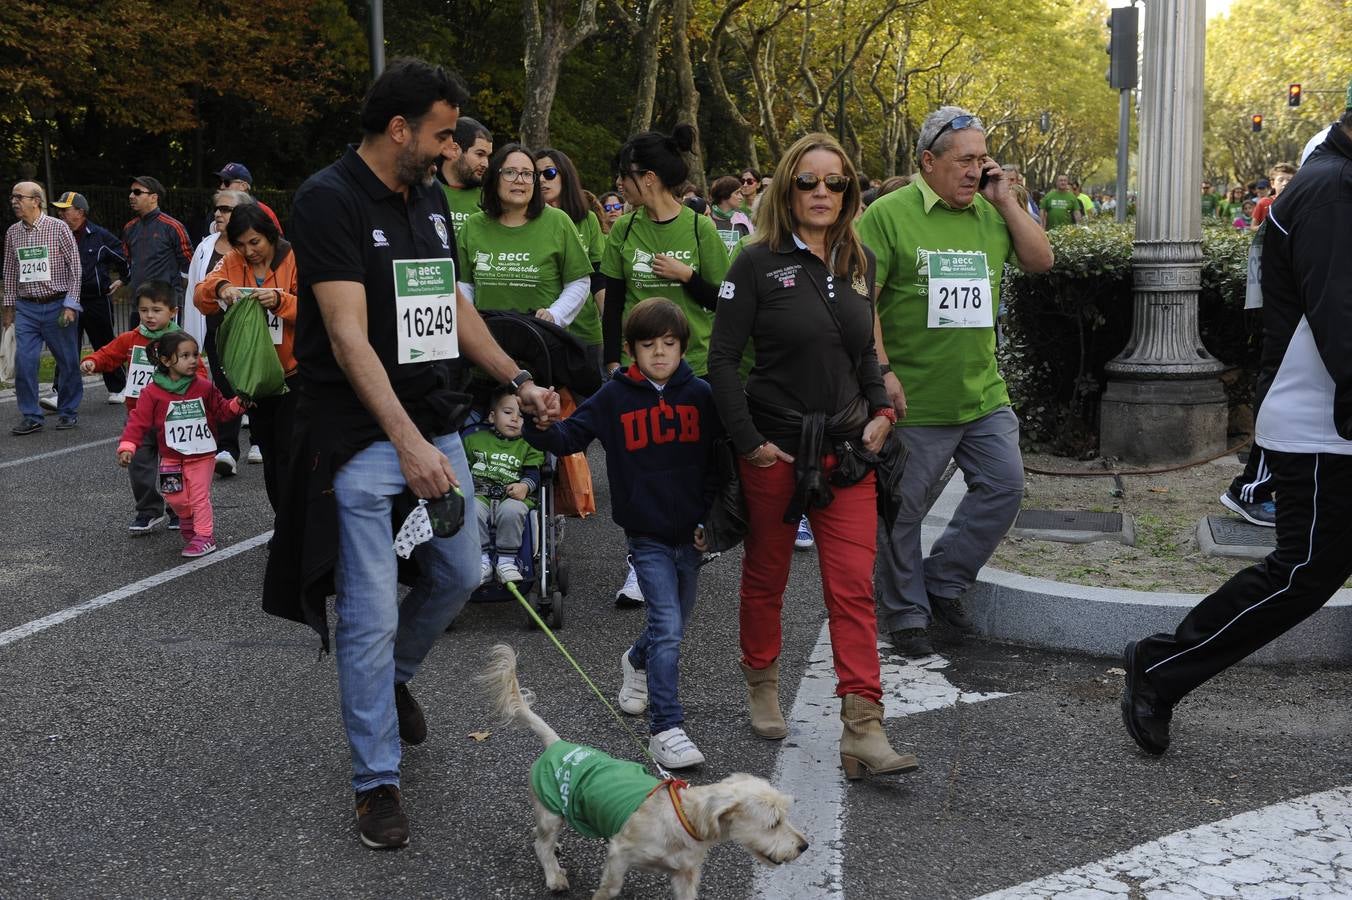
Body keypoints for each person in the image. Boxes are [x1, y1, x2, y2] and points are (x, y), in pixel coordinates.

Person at [264, 57, 560, 850]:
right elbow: (347, 335)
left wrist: (518, 376)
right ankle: (376, 784)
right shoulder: (327, 200)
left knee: (462, 571)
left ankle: (392, 683)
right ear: (399, 129)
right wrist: (403, 444)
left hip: (432, 417)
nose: (451, 149)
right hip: (357, 433)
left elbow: (450, 306)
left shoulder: (429, 198)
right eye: (438, 134)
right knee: (364, 614)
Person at [1121, 110, 1352, 758]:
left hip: (1329, 421)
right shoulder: (1332, 190)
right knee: (1303, 572)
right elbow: (1342, 323)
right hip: (1322, 425)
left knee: (1306, 571)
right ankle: (1160, 669)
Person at [707, 132, 917, 779]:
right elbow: (720, 361)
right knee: (767, 574)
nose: (822, 192)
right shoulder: (753, 263)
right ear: (786, 189)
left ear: (849, 191)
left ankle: (863, 729)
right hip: (775, 450)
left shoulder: (861, 260)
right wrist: (749, 443)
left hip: (849, 451)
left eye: (834, 182)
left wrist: (882, 412)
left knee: (853, 590)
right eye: (808, 181)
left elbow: (863, 354)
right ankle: (761, 682)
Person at [859, 106, 1054, 658]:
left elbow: (1041, 260)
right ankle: (904, 612)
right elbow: (862, 301)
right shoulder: (887, 215)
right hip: (915, 398)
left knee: (1004, 487)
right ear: (928, 161)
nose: (975, 170)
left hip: (982, 394)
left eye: (982, 159)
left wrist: (1007, 199)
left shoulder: (992, 212)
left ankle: (942, 583)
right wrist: (883, 372)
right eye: (964, 160)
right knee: (902, 510)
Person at [525, 297, 718, 769]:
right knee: (669, 627)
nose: (659, 353)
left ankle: (635, 660)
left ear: (683, 346)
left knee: (671, 624)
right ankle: (666, 727)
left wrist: (713, 523)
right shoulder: (614, 397)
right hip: (645, 536)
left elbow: (720, 462)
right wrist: (540, 424)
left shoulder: (701, 395)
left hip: (692, 534)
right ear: (630, 349)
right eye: (648, 345)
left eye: (669, 344)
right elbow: (570, 438)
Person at [601, 124, 730, 607]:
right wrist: (613, 360)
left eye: (625, 177)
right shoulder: (625, 230)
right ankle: (641, 560)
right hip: (637, 376)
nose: (620, 186)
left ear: (648, 178)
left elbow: (723, 300)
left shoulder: (700, 229)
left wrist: (688, 275)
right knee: (640, 466)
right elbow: (613, 303)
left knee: (688, 466)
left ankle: (689, 542)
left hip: (692, 371)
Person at [196, 203, 300, 513]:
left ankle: (296, 526)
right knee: (269, 453)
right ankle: (283, 525)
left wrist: (281, 300)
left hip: (294, 375)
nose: (249, 251)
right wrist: (222, 287)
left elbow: (320, 309)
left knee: (290, 454)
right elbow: (200, 295)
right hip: (254, 378)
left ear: (270, 235)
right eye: (241, 244)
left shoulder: (295, 258)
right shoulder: (231, 260)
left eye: (255, 242)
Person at [83, 280, 204, 533]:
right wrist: (93, 361)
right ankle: (148, 510)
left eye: (157, 310)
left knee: (173, 467)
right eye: (144, 310)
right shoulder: (132, 339)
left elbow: (198, 371)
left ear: (173, 311)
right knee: (138, 465)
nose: (149, 315)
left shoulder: (181, 341)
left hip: (173, 418)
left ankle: (177, 509)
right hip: (139, 416)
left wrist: (198, 389)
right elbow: (108, 354)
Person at [116, 331, 245, 558]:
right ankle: (186, 518)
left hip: (201, 454)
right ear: (165, 361)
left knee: (198, 496)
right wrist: (128, 445)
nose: (193, 360)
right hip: (171, 456)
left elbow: (222, 410)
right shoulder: (152, 392)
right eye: (185, 356)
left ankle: (205, 536)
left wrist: (238, 404)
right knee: (175, 497)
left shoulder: (204, 387)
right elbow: (138, 420)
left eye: (195, 354)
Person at [455, 143, 593, 329]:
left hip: (542, 339)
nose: (519, 180)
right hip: (486, 339)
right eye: (510, 172)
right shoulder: (473, 225)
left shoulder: (558, 221)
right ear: (495, 177)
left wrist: (556, 314)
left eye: (527, 174)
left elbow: (579, 281)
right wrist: (472, 321)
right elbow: (464, 284)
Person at [3, 182, 83, 435]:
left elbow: (76, 268)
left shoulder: (58, 228)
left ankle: (68, 411)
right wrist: (8, 309)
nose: (14, 201)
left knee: (67, 361)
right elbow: (9, 271)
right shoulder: (13, 232)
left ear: (36, 201)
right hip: (26, 307)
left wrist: (71, 304)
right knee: (25, 361)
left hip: (58, 305)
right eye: (12, 197)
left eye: (20, 197)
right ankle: (31, 414)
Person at [186, 190, 253, 473]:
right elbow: (193, 289)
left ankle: (259, 440)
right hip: (215, 329)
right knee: (224, 387)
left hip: (249, 330)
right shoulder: (205, 246)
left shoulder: (253, 247)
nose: (218, 214)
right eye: (217, 209)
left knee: (251, 385)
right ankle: (227, 448)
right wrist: (189, 339)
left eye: (225, 209)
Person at [50, 191, 129, 406]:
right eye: (59, 210)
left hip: (96, 300)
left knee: (105, 344)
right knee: (66, 346)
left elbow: (124, 257)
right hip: (67, 300)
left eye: (65, 210)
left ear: (80, 212)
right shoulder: (56, 234)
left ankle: (119, 387)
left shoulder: (99, 235)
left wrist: (124, 279)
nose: (60, 214)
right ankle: (61, 392)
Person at [464, 386, 545, 584]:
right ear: (492, 417)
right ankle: (481, 560)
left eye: (522, 415)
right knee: (470, 510)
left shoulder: (530, 444)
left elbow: (534, 472)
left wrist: (525, 486)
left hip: (513, 495)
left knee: (512, 511)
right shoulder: (473, 439)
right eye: (508, 412)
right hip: (479, 493)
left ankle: (507, 562)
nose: (515, 419)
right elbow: (461, 468)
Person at [534, 146, 607, 359]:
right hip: (542, 327)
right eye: (535, 175)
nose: (542, 180)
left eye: (549, 172)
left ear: (565, 174)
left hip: (586, 330)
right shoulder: (525, 222)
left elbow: (598, 275)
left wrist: (611, 324)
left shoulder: (588, 220)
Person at [110, 176, 192, 331]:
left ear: (154, 197)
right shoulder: (129, 228)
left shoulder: (173, 227)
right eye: (131, 192)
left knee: (168, 350)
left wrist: (178, 295)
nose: (131, 196)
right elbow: (128, 261)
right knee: (137, 350)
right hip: (138, 304)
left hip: (165, 304)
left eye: (137, 192)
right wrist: (123, 279)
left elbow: (189, 263)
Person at [440, 116, 493, 235]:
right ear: (454, 150)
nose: (486, 164)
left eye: (488, 156)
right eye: (480, 154)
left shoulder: (488, 198)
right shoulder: (424, 191)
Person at [215, 162, 282, 233]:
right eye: (220, 182)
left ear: (243, 186)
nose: (221, 187)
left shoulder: (263, 211)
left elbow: (279, 241)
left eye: (226, 182)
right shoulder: (217, 210)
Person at [708, 175, 755, 253]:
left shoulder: (743, 220)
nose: (741, 197)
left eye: (741, 193)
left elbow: (750, 248)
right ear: (724, 194)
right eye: (737, 193)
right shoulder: (706, 217)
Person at [1251, 162, 1295, 229]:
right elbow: (1253, 227)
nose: (1285, 183)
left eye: (1290, 180)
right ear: (1272, 184)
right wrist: (1266, 229)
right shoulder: (1263, 202)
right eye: (1281, 180)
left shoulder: (1298, 202)